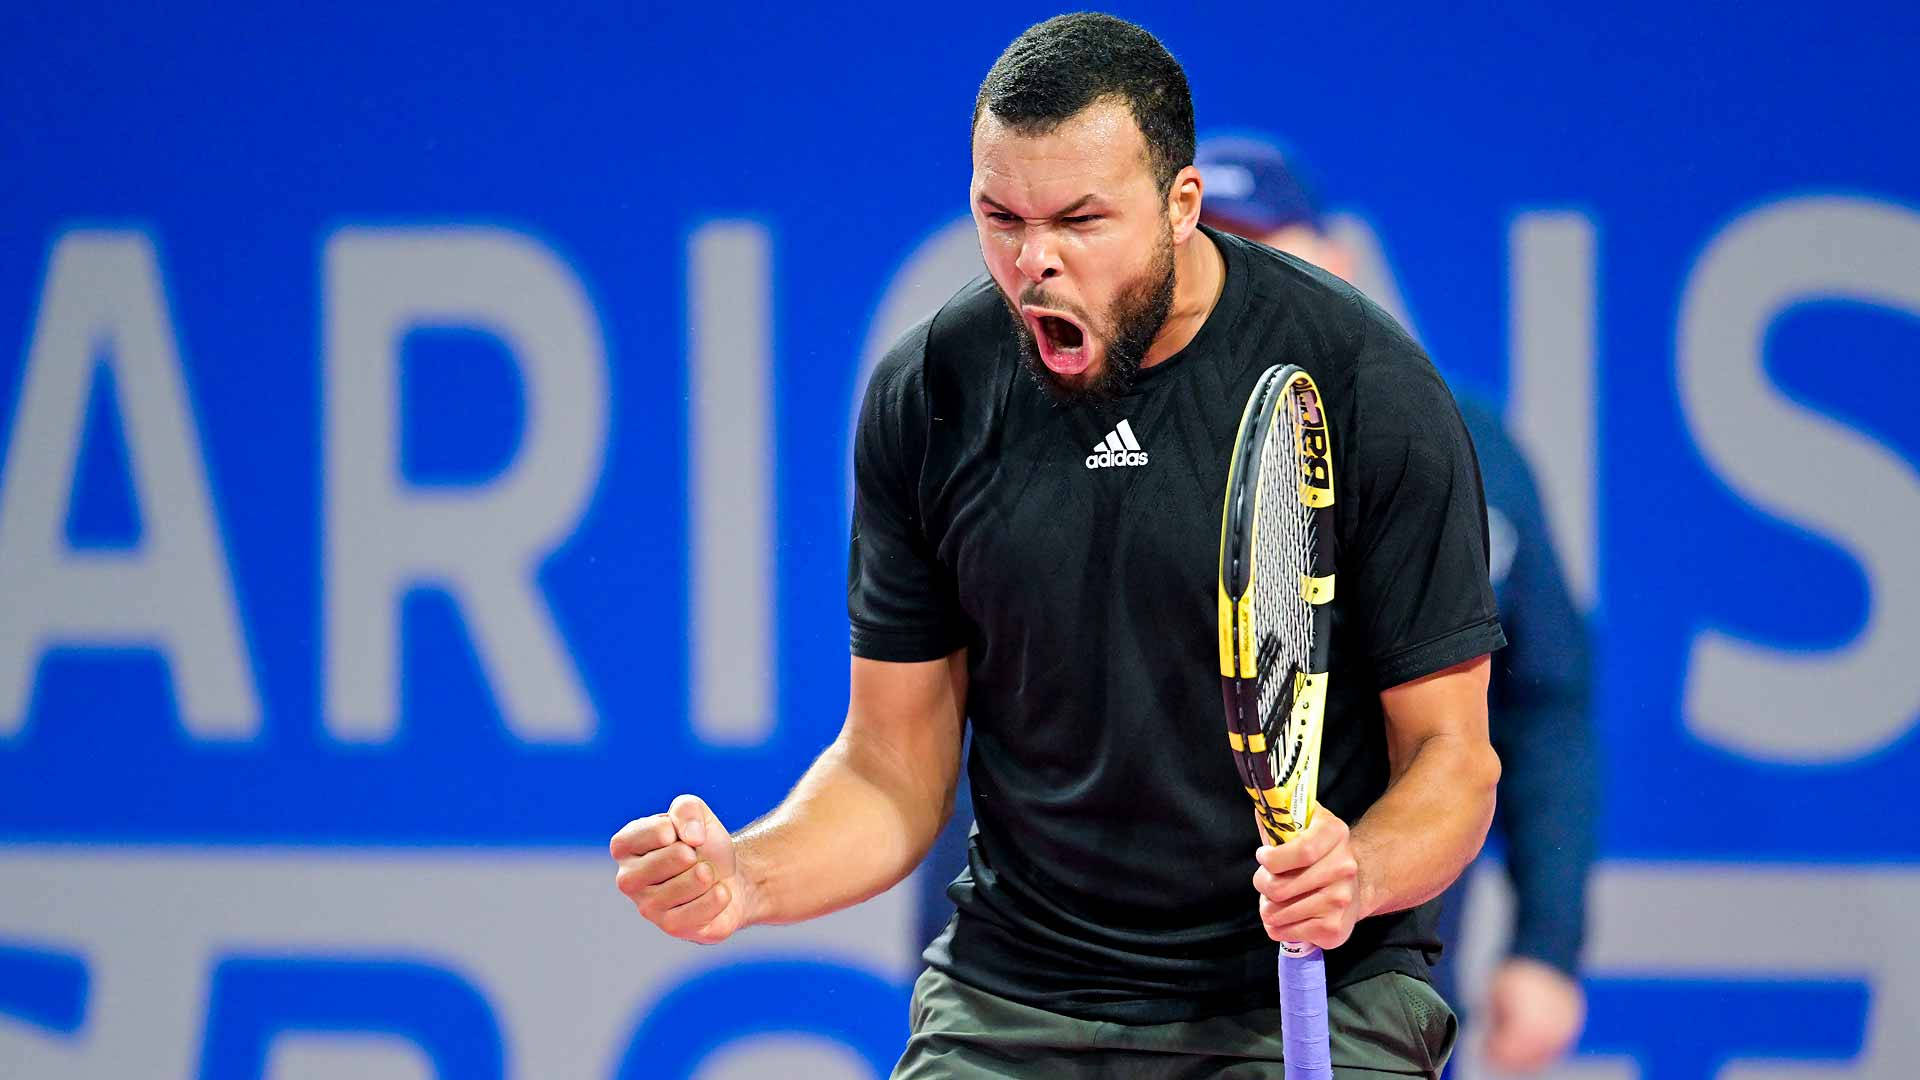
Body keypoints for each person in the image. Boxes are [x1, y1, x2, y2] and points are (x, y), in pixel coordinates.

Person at [612, 14, 1504, 1077]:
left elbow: (1454, 762)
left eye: (1081, 219)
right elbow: (892, 766)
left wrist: (1356, 867)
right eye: (1001, 217)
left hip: (1304, 990)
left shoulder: (1363, 384)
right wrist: (748, 878)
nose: (1035, 262)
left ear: (1182, 207)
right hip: (1018, 992)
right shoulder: (932, 392)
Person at [1191, 133, 1600, 1073]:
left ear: (1341, 263)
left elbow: (1540, 706)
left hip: (1380, 980)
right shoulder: (1121, 456)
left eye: (1270, 247)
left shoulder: (1462, 445)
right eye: (1215, 252)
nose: (1245, 280)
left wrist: (1548, 946)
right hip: (1137, 1000)